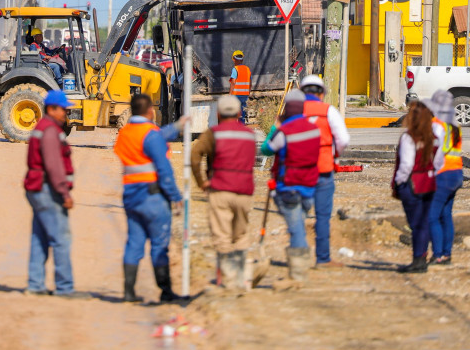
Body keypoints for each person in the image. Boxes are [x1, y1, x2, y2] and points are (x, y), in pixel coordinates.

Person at [113, 93, 186, 302]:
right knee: (159, 244)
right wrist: (175, 196)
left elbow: (154, 137)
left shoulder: (125, 133)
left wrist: (178, 126)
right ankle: (166, 292)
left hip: (131, 195)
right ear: (149, 111)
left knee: (134, 243)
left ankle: (128, 292)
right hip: (153, 197)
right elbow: (164, 169)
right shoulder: (151, 134)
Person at [190, 95, 256, 289]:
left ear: (218, 113)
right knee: (241, 234)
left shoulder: (213, 134)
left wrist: (202, 181)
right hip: (244, 191)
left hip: (220, 189)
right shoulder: (249, 135)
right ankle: (243, 277)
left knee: (222, 236)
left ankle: (228, 280)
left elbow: (195, 155)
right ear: (239, 113)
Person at [22, 90, 83, 297]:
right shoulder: (50, 132)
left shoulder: (44, 128)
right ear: (51, 109)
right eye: (63, 109)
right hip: (48, 190)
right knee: (60, 239)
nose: (66, 113)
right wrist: (64, 193)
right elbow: (54, 166)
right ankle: (65, 288)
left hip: (38, 188)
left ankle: (35, 284)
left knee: (40, 237)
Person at [258, 90, 322, 282]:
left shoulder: (284, 132)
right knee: (298, 225)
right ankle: (298, 268)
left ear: (287, 108)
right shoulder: (313, 129)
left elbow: (266, 149)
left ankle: (298, 273)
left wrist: (275, 127)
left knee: (296, 230)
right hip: (310, 187)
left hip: (289, 187)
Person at [298, 74, 350, 269]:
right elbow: (343, 139)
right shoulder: (329, 111)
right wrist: (334, 154)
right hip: (323, 168)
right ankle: (322, 258)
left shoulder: (294, 111)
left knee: (298, 215)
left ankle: (298, 259)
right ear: (321, 93)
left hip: (299, 170)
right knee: (322, 216)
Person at [392, 100, 438, 274]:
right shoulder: (433, 138)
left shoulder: (409, 137)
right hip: (429, 182)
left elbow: (406, 164)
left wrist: (398, 182)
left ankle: (418, 259)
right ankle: (421, 258)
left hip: (412, 184)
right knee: (423, 223)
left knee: (416, 224)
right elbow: (438, 161)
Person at [426, 90, 462, 266]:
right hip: (456, 173)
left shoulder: (437, 125)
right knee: (446, 215)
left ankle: (438, 254)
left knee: (432, 216)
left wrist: (431, 170)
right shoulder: (454, 125)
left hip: (443, 174)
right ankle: (446, 254)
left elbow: (437, 151)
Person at [229, 50, 251, 123]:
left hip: (236, 95)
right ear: (242, 59)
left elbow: (233, 82)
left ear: (233, 59)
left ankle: (235, 126)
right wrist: (248, 92)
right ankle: (242, 125)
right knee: (242, 111)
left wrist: (230, 94)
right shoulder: (247, 69)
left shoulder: (235, 69)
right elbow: (250, 83)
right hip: (245, 95)